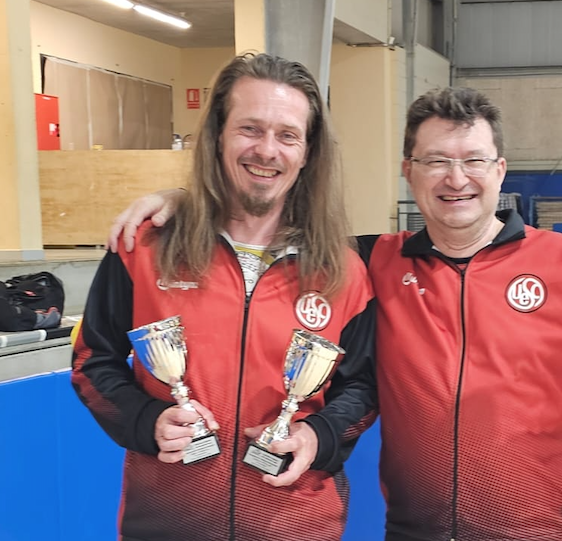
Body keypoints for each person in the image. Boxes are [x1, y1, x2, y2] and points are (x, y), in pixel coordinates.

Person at [109, 87, 562, 541]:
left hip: (536, 531)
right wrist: (183, 201)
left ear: (499, 170)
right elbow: (263, 218)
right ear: (409, 170)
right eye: (436, 161)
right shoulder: (371, 259)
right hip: (412, 531)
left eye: (473, 160)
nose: (456, 179)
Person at [71, 53, 376, 541]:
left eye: (287, 135)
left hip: (297, 525)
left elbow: (361, 388)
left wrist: (315, 436)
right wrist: (147, 420)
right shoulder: (144, 248)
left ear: (308, 152)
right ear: (217, 134)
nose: (267, 150)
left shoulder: (344, 271)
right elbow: (92, 360)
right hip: (168, 523)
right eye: (250, 129)